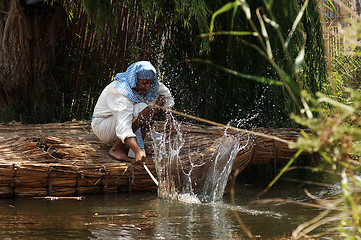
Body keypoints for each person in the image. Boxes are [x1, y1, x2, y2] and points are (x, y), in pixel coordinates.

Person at [91, 61, 174, 165]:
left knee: (158, 100)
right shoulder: (120, 90)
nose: (148, 87)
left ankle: (140, 143)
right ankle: (117, 148)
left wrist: (169, 119)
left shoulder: (149, 84)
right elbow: (123, 125)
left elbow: (166, 94)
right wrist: (137, 151)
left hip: (118, 122)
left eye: (150, 83)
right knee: (142, 109)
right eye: (144, 83)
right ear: (135, 80)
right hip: (103, 126)